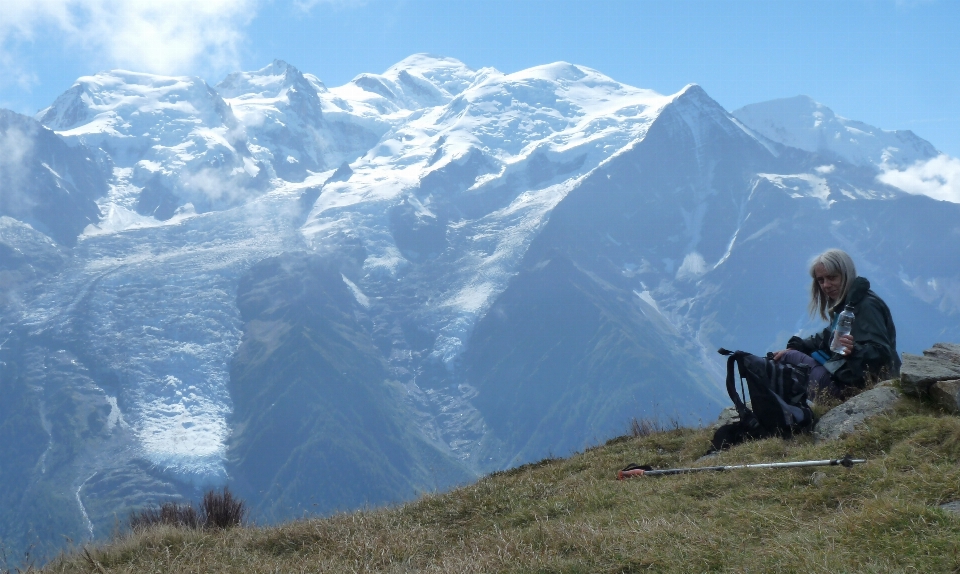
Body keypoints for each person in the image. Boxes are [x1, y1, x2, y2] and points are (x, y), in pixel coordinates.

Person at [773, 249, 899, 398]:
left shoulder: (866, 306)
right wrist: (798, 346)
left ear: (846, 275)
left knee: (789, 359)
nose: (826, 285)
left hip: (861, 388)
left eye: (832, 277)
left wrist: (854, 350)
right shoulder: (850, 303)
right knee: (789, 355)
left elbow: (882, 353)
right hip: (850, 380)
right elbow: (829, 336)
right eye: (821, 280)